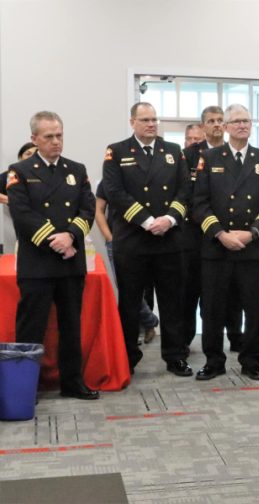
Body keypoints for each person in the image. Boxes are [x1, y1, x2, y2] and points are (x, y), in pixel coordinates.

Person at [6, 111, 98, 400]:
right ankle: (26, 386)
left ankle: (73, 383)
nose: (56, 142)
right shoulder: (19, 171)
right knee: (31, 327)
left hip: (70, 261)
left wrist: (70, 235)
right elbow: (22, 214)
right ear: (34, 139)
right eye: (49, 137)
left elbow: (88, 208)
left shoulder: (77, 169)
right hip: (37, 264)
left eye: (59, 135)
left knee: (71, 326)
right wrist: (54, 240)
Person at [102, 102, 192, 376]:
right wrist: (148, 220)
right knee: (130, 303)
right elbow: (114, 192)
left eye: (154, 119)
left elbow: (184, 190)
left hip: (169, 239)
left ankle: (175, 356)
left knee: (172, 302)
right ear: (132, 122)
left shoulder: (173, 151)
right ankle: (128, 356)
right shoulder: (116, 151)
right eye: (145, 119)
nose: (151, 124)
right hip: (133, 240)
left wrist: (170, 219)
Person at [192, 104, 259, 381]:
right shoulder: (209, 157)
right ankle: (214, 361)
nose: (242, 125)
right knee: (213, 309)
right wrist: (220, 233)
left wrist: (252, 232)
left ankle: (251, 360)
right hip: (217, 247)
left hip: (252, 247)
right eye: (236, 121)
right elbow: (199, 204)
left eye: (246, 121)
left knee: (253, 308)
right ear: (225, 127)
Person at [181, 106, 243, 353]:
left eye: (220, 120)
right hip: (195, 234)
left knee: (231, 292)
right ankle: (185, 341)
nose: (217, 125)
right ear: (203, 126)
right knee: (191, 290)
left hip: (227, 233)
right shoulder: (188, 155)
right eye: (212, 121)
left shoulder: (234, 153)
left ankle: (236, 337)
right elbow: (187, 194)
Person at [94, 180, 159, 342]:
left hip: (148, 239)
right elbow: (98, 210)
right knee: (126, 287)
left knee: (143, 287)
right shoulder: (108, 182)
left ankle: (142, 326)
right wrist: (109, 237)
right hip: (118, 241)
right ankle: (148, 322)